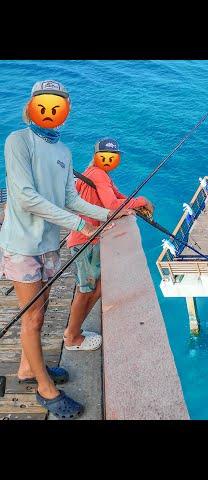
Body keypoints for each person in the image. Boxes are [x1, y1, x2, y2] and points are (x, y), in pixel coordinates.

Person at [0, 80, 133, 418]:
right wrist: (77, 225)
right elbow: (26, 196)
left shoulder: (63, 152)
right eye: (43, 103)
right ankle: (46, 390)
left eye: (57, 104)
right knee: (31, 317)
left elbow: (70, 198)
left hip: (48, 244)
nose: (50, 111)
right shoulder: (18, 141)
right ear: (30, 106)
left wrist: (110, 214)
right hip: (22, 245)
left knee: (41, 310)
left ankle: (29, 371)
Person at [65, 138, 152, 352]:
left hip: (91, 239)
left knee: (96, 288)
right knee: (85, 291)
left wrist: (136, 203)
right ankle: (71, 337)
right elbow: (112, 205)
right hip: (86, 241)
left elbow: (119, 197)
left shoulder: (95, 174)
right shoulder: (100, 176)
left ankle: (74, 330)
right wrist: (140, 201)